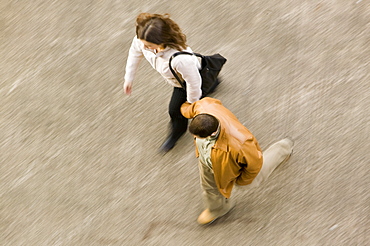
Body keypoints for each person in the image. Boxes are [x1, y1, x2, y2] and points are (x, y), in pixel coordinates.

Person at [181, 97, 294, 225]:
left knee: (257, 174)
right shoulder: (205, 109)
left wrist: (242, 180)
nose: (194, 138)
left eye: (197, 137)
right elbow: (199, 105)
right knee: (209, 186)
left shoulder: (241, 143)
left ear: (212, 134)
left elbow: (254, 164)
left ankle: (283, 148)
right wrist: (183, 108)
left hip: (230, 165)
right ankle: (218, 209)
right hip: (208, 159)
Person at [123, 13, 202, 152]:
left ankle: (177, 133)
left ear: (163, 41)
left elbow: (194, 83)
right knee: (206, 84)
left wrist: (192, 104)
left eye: (149, 46)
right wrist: (129, 78)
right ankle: (213, 83)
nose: (145, 48)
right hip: (179, 78)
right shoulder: (143, 40)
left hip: (183, 83)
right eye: (143, 44)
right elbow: (135, 53)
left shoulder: (180, 59)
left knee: (174, 110)